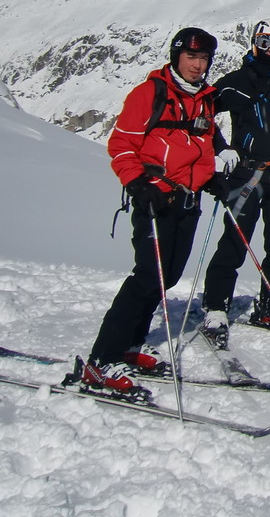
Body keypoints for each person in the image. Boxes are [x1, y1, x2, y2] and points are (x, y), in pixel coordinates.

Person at [73, 26, 225, 395]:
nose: (197, 65)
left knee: (166, 278)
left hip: (188, 202)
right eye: (191, 57)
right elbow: (122, 143)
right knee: (146, 277)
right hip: (155, 200)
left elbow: (200, 148)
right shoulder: (151, 93)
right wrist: (138, 183)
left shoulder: (204, 99)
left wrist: (209, 178)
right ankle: (101, 360)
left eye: (204, 58)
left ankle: (128, 347)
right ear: (176, 56)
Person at [200, 19, 270, 345]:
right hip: (246, 173)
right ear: (253, 43)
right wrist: (220, 148)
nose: (269, 50)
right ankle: (216, 306)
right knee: (236, 240)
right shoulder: (236, 82)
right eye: (264, 42)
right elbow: (201, 109)